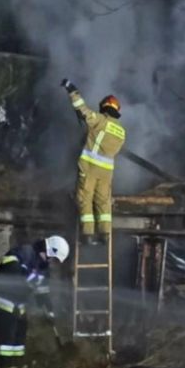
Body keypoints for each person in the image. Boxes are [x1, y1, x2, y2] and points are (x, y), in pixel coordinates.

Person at [0, 236, 70, 366]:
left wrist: (49, 310)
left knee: (21, 330)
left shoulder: (43, 267)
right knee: (8, 331)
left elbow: (42, 291)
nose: (52, 262)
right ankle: (6, 364)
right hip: (4, 297)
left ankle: (18, 363)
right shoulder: (24, 252)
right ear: (49, 250)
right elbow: (10, 268)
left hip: (18, 299)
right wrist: (27, 275)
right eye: (54, 258)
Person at [61, 78, 126, 245]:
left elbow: (83, 110)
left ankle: (87, 235)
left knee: (85, 199)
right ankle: (105, 235)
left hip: (90, 167)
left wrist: (72, 91)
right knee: (103, 202)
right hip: (107, 172)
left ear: (105, 108)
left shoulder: (100, 120)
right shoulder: (121, 131)